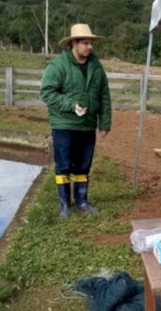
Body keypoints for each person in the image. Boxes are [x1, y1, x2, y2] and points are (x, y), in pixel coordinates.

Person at [40, 23, 112, 216]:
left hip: (87, 125)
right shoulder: (58, 65)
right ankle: (65, 205)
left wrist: (104, 122)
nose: (90, 47)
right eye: (86, 43)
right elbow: (47, 92)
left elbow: (104, 95)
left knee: (83, 165)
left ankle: (82, 201)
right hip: (64, 124)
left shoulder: (96, 66)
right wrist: (70, 105)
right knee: (64, 165)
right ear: (74, 43)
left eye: (91, 43)